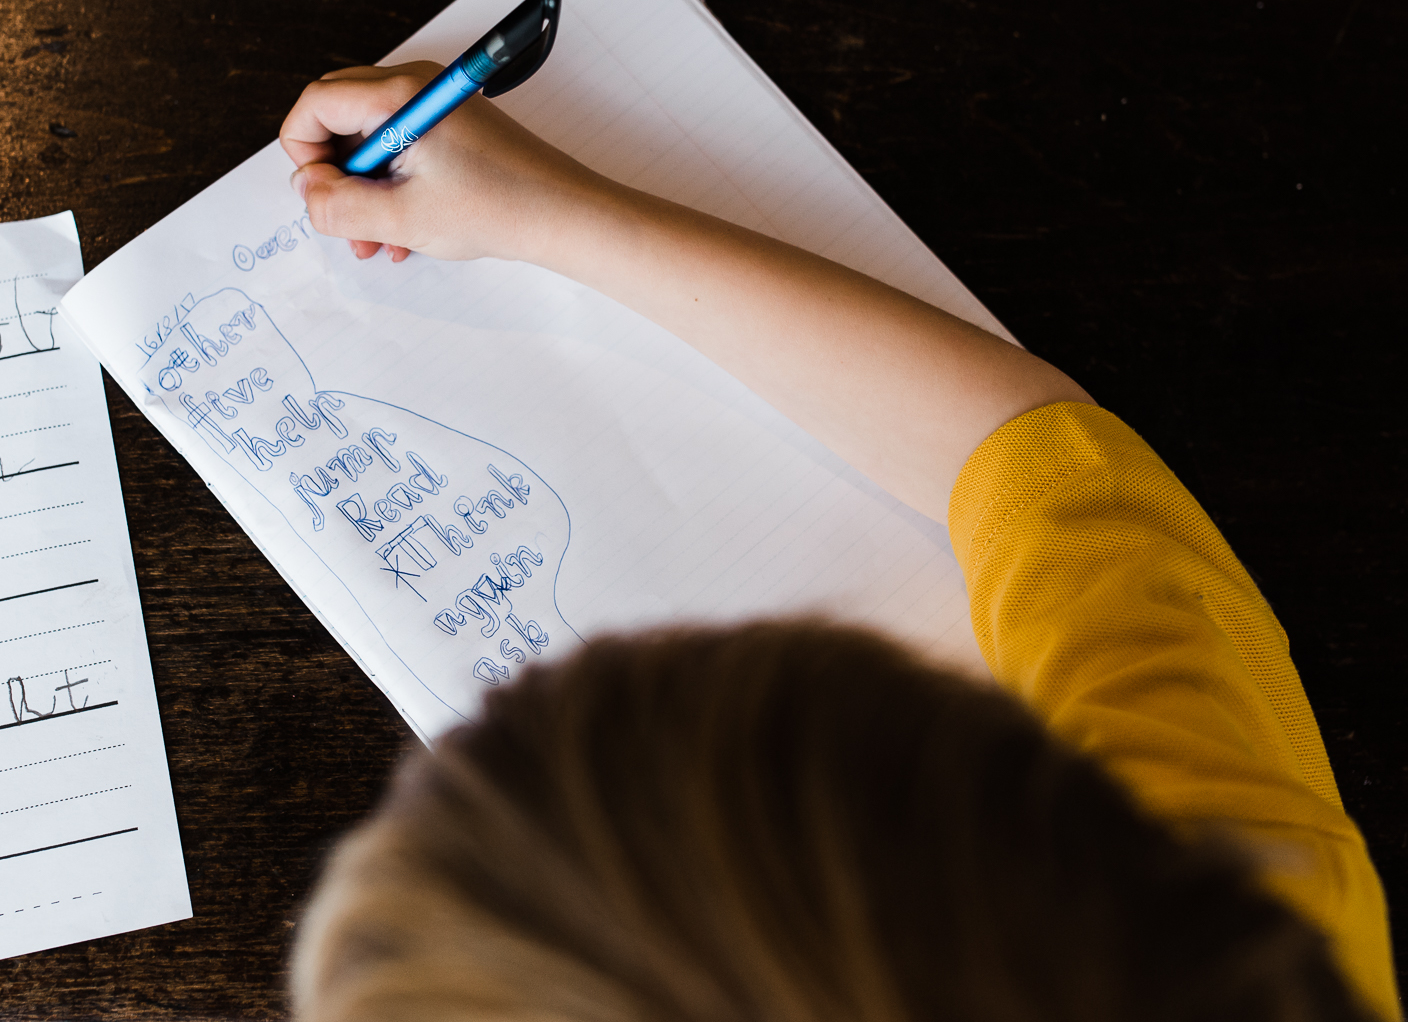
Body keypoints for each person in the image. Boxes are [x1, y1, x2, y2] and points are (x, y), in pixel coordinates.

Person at [273, 64, 1397, 1022]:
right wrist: (549, 213)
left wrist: (549, 214)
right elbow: (1029, 460)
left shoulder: (1204, 894)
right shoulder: (1202, 899)